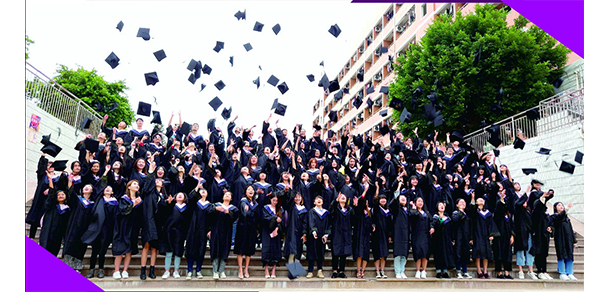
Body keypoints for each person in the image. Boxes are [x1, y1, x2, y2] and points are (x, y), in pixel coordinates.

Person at [81, 166, 118, 279]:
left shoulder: (115, 202)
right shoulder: (99, 199)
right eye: (106, 188)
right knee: (94, 251)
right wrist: (106, 172)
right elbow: (101, 185)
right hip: (96, 227)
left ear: (112, 192)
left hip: (107, 229)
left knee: (102, 251)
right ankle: (92, 270)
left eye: (109, 188)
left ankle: (100, 270)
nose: (107, 189)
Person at [26, 153, 67, 239]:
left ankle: (44, 240)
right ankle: (31, 238)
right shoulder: (42, 176)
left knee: (46, 221)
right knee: (35, 220)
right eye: (48, 165)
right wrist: (43, 157)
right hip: (39, 201)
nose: (50, 167)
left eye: (52, 165)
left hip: (49, 202)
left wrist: (51, 190)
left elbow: (61, 188)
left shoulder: (57, 178)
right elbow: (40, 168)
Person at [112, 180, 143, 279]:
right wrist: (133, 204)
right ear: (129, 187)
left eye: (137, 184)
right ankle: (116, 271)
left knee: (129, 250)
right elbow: (123, 211)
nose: (137, 186)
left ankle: (125, 270)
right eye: (134, 184)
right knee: (120, 250)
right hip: (123, 227)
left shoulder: (139, 199)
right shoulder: (123, 199)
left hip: (133, 227)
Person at [184, 183, 213, 280]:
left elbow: (210, 219)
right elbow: (191, 198)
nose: (203, 191)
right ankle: (189, 271)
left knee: (201, 250)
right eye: (201, 191)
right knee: (191, 249)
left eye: (205, 191)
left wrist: (209, 230)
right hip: (193, 229)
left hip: (203, 230)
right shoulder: (194, 203)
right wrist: (197, 187)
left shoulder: (209, 205)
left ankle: (198, 270)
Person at [209, 191, 239, 279]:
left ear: (231, 199)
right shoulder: (216, 206)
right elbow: (209, 215)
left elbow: (234, 218)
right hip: (216, 232)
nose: (227, 195)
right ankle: (215, 271)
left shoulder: (233, 209)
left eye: (229, 195)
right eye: (226, 194)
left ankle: (221, 271)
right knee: (215, 250)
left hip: (227, 233)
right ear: (222, 197)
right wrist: (215, 209)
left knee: (224, 251)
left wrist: (228, 213)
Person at [159, 192, 189, 279]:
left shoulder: (186, 208)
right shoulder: (171, 206)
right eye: (177, 194)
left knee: (178, 252)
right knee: (169, 252)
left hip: (180, 232)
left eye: (182, 194)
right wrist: (168, 203)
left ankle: (176, 271)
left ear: (185, 197)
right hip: (169, 231)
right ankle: (167, 271)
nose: (180, 195)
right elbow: (164, 214)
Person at [471, 194, 499, 279]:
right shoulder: (475, 212)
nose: (481, 201)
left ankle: (485, 271)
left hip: (486, 235)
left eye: (482, 200)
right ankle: (479, 271)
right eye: (479, 200)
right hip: (477, 234)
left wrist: (492, 234)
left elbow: (491, 224)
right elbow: (471, 210)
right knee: (478, 253)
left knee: (486, 253)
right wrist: (473, 198)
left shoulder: (488, 213)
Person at [513, 183, 538, 279]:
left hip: (529, 233)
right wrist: (526, 192)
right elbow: (518, 203)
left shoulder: (529, 211)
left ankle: (530, 271)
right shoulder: (518, 210)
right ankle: (520, 270)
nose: (524, 202)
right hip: (520, 233)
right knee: (520, 251)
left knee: (530, 251)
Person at [39, 183, 70, 257]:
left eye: (62, 194)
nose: (60, 196)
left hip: (58, 234)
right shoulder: (52, 207)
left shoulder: (67, 209)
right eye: (58, 195)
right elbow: (50, 198)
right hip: (48, 232)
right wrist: (50, 181)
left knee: (54, 251)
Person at [234, 185, 259, 279]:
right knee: (240, 248)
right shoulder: (243, 201)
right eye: (249, 189)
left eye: (252, 189)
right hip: (242, 227)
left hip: (252, 228)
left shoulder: (255, 203)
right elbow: (245, 214)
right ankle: (240, 269)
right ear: (245, 192)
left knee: (249, 249)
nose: (251, 191)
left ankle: (246, 269)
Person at [549, 201, 578, 281]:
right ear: (555, 207)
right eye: (559, 205)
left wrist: (574, 241)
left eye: (562, 205)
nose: (561, 206)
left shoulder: (567, 218)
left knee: (570, 255)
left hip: (568, 239)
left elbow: (571, 230)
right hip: (560, 238)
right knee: (561, 254)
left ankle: (570, 272)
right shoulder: (554, 216)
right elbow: (560, 217)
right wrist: (567, 208)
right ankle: (562, 272)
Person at [492, 185, 514, 279]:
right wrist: (501, 200)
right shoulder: (498, 215)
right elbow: (497, 210)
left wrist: (512, 235)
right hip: (499, 235)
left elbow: (512, 226)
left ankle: (506, 272)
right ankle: (499, 272)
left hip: (507, 236)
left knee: (507, 254)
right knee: (499, 253)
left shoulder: (508, 216)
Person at [532, 186, 554, 280]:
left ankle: (544, 271)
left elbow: (552, 224)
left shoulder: (547, 215)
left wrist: (550, 228)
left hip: (545, 236)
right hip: (538, 234)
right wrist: (543, 197)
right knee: (539, 253)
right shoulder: (537, 212)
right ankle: (540, 271)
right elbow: (538, 206)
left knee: (544, 254)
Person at [329, 192, 353, 278]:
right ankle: (335, 271)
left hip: (346, 233)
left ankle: (342, 270)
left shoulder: (349, 210)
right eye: (341, 197)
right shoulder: (335, 208)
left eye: (344, 197)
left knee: (344, 253)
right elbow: (331, 210)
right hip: (336, 233)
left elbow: (354, 219)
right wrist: (335, 201)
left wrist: (356, 206)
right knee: (336, 252)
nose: (343, 198)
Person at [352, 184, 373, 279]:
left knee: (365, 254)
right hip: (359, 234)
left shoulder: (369, 213)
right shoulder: (358, 211)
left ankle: (363, 271)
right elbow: (361, 201)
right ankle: (358, 270)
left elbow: (372, 222)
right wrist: (365, 190)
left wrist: (373, 225)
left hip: (366, 235)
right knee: (359, 253)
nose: (365, 203)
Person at [305, 196, 330, 279]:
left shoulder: (326, 213)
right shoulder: (311, 211)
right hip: (313, 235)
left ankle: (319, 270)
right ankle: (310, 271)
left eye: (320, 199)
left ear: (322, 202)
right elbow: (311, 222)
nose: (319, 200)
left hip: (322, 235)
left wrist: (326, 235)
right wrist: (313, 231)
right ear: (314, 202)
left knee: (321, 252)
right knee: (311, 252)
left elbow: (328, 224)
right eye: (316, 199)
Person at [389, 185, 410, 279]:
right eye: (401, 198)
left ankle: (402, 270)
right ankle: (397, 271)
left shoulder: (408, 210)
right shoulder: (397, 209)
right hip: (398, 233)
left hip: (406, 233)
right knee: (398, 254)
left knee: (404, 254)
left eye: (404, 198)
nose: (403, 199)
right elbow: (393, 203)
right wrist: (399, 188)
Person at [261, 193, 284, 279]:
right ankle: (266, 270)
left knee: (276, 250)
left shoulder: (280, 209)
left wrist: (276, 229)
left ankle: (273, 270)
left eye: (276, 200)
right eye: (273, 200)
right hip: (267, 231)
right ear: (270, 199)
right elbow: (264, 219)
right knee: (266, 249)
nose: (275, 202)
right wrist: (274, 218)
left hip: (276, 232)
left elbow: (282, 221)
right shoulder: (265, 208)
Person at [409, 196, 432, 279]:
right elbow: (412, 215)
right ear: (415, 203)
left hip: (426, 235)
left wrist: (432, 227)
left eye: (421, 201)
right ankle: (418, 270)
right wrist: (414, 208)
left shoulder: (426, 213)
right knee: (417, 252)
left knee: (425, 253)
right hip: (416, 235)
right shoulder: (413, 211)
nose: (420, 203)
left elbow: (431, 221)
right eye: (418, 201)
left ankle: (424, 271)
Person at [371, 190, 392, 279]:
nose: (383, 200)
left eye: (384, 199)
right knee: (377, 253)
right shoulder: (376, 208)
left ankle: (382, 271)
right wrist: (377, 188)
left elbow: (390, 223)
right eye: (381, 199)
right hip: (377, 234)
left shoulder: (388, 210)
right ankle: (377, 271)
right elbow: (375, 202)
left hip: (385, 234)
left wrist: (390, 235)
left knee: (384, 254)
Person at [431, 202, 454, 278]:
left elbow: (451, 230)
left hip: (446, 239)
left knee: (445, 254)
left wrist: (452, 239)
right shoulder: (435, 217)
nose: (442, 206)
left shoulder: (448, 218)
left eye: (443, 205)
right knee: (438, 254)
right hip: (437, 239)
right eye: (440, 205)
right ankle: (438, 271)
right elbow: (432, 225)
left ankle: (445, 271)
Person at [451, 198, 473, 279]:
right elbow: (455, 220)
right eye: (460, 202)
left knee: (465, 253)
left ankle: (465, 271)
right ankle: (458, 271)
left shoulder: (467, 214)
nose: (463, 203)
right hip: (458, 236)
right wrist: (460, 212)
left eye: (464, 202)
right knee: (458, 253)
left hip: (466, 237)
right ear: (457, 205)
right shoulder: (455, 213)